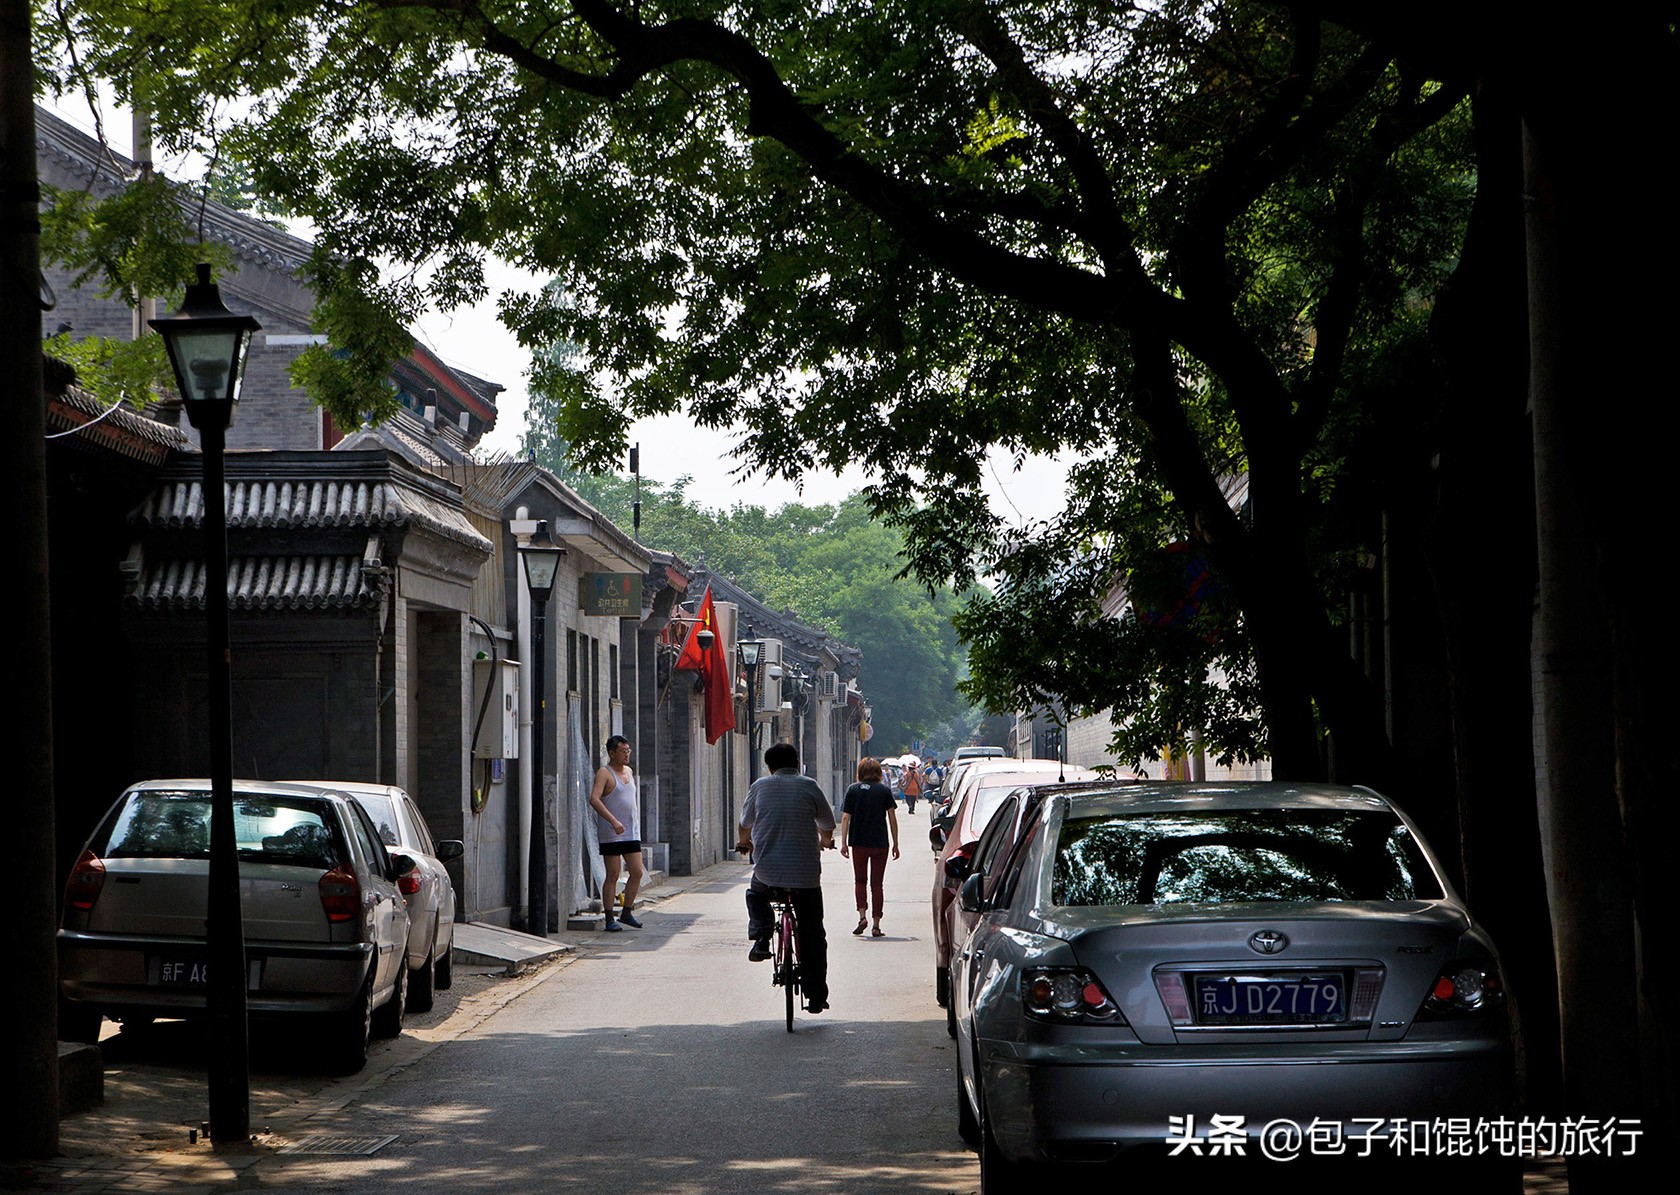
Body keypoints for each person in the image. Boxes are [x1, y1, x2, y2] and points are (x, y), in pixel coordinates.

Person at [736, 741, 836, 1012]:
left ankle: (761, 934)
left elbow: (745, 825)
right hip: (806, 878)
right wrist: (825, 840)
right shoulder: (809, 786)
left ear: (770, 767)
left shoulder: (760, 787)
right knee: (814, 934)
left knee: (755, 893)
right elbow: (828, 824)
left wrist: (745, 843)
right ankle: (816, 996)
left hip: (769, 875)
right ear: (796, 763)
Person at [588, 734, 644, 931]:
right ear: (611, 753)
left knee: (637, 871)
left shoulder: (628, 771)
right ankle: (610, 916)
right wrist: (613, 821)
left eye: (628, 751)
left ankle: (627, 912)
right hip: (612, 833)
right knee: (612, 874)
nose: (627, 755)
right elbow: (594, 799)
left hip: (631, 832)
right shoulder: (604, 773)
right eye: (623, 751)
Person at [838, 757, 899, 937]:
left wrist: (843, 842)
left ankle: (862, 916)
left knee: (860, 881)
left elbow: (845, 818)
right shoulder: (884, 791)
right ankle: (876, 924)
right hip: (880, 843)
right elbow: (892, 818)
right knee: (877, 884)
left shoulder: (852, 790)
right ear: (879, 773)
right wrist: (896, 843)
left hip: (858, 842)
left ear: (860, 772)